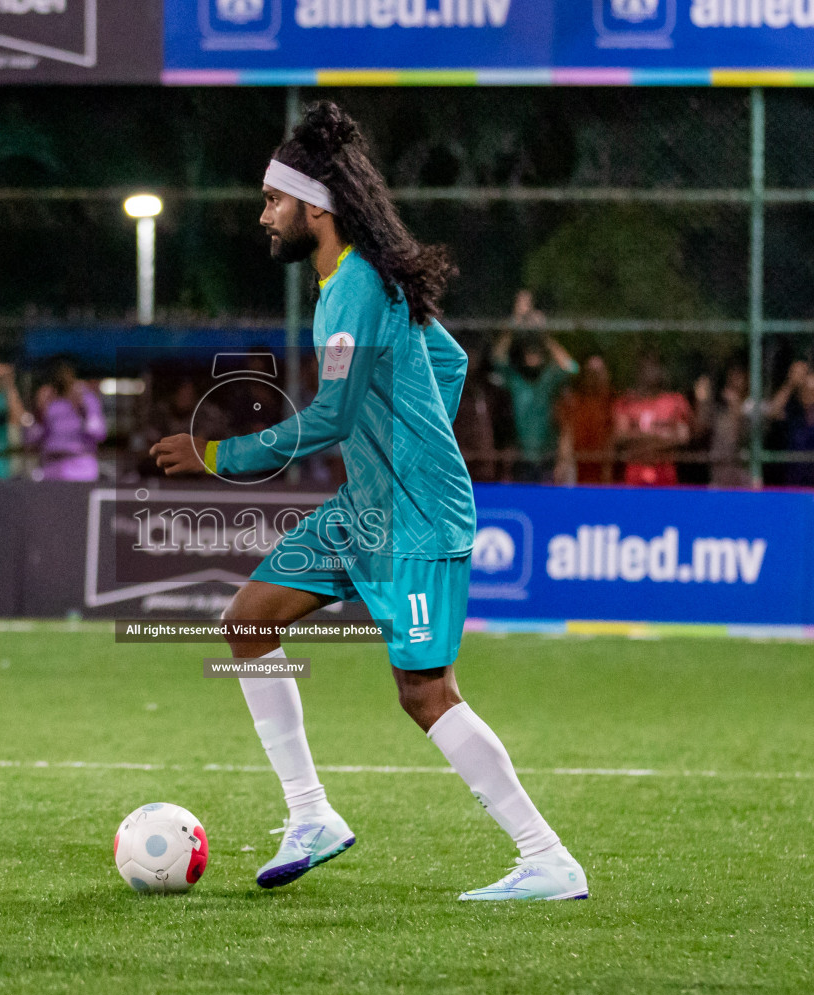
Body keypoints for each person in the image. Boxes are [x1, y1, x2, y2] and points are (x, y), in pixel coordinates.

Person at [149, 101, 587, 902]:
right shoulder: (355, 285)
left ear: (314, 207)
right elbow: (446, 363)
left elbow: (330, 419)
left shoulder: (355, 287)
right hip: (368, 509)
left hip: (415, 518)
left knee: (425, 694)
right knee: (247, 623)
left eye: (272, 201)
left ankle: (547, 857)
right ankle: (311, 815)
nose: (264, 215)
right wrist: (406, 432)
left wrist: (218, 454)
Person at [491, 321, 577, 483]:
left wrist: (544, 336)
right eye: (529, 353)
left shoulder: (548, 380)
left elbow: (570, 368)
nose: (532, 357)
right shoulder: (517, 381)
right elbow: (497, 359)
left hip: (547, 458)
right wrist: (514, 324)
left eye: (536, 353)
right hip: (521, 459)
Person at [611, 351, 691, 486]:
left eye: (653, 366)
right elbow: (621, 435)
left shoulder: (675, 401)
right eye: (645, 367)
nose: (649, 372)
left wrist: (641, 437)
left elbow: (682, 437)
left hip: (665, 470)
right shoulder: (626, 403)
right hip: (634, 470)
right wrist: (660, 436)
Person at [26, 355, 106, 481]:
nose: (62, 377)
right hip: (51, 466)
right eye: (57, 373)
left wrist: (81, 409)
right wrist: (40, 412)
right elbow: (31, 439)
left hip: (81, 466)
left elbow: (99, 434)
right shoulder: (47, 400)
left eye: (65, 372)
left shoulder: (86, 398)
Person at [453, 342, 516, 482]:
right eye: (467, 353)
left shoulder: (494, 391)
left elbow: (505, 432)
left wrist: (505, 470)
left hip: (487, 466)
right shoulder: (452, 390)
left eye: (475, 354)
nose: (471, 358)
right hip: (458, 464)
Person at [555, 354, 614, 485]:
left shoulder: (611, 402)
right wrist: (563, 463)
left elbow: (612, 438)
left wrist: (607, 469)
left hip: (601, 473)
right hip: (576, 470)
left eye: (598, 372)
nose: (594, 377)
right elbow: (566, 435)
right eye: (591, 372)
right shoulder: (573, 402)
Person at [694, 365, 751, 489]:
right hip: (718, 478)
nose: (734, 380)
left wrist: (735, 407)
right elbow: (699, 430)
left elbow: (738, 437)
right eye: (731, 375)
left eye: (739, 375)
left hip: (742, 479)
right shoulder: (719, 411)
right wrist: (702, 401)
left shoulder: (750, 408)